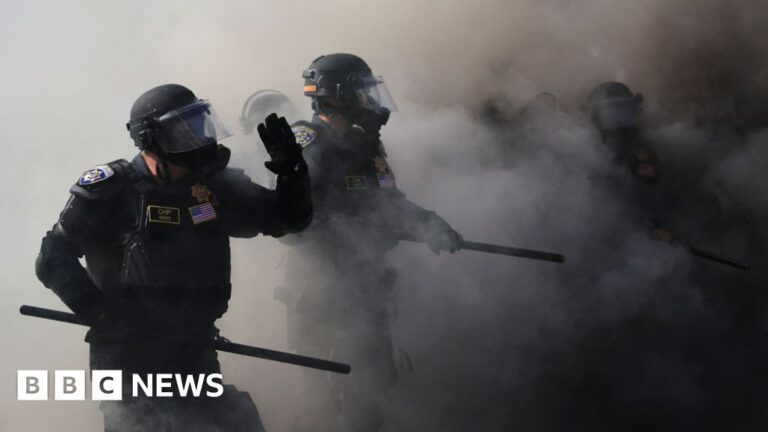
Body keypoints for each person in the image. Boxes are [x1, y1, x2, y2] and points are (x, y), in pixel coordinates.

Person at [34, 83, 312, 432]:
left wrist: (292, 174)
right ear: (151, 138)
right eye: (183, 130)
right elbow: (52, 256)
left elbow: (287, 220)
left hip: (195, 347)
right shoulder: (111, 191)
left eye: (198, 125)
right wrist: (100, 313)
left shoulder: (214, 187)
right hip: (129, 360)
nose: (197, 138)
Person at [277, 53, 461, 431]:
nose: (370, 101)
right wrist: (351, 231)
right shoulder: (305, 143)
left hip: (365, 286)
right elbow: (289, 222)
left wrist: (430, 225)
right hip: (321, 292)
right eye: (363, 91)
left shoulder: (365, 145)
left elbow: (389, 202)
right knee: (325, 405)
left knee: (368, 397)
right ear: (338, 95)